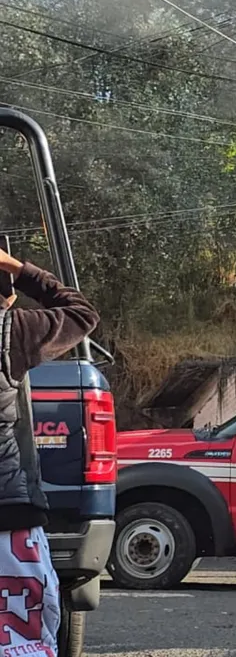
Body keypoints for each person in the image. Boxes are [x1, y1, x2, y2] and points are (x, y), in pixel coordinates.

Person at [0, 246, 100, 656]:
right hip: (8, 514)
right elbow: (81, 314)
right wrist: (17, 269)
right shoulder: (13, 330)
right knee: (20, 643)